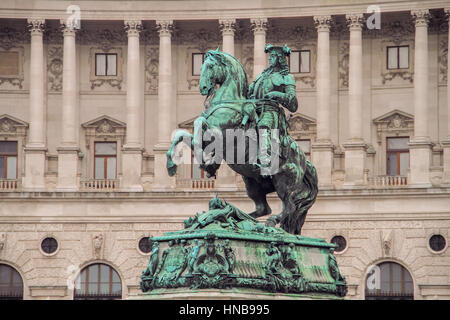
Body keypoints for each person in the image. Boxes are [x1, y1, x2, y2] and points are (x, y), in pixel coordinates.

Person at [248, 44, 298, 175]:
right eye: (270, 56)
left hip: (271, 111)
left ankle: (266, 160)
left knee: (264, 125)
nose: (270, 59)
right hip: (254, 109)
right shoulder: (260, 77)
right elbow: (249, 92)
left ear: (280, 59)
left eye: (273, 56)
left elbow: (293, 103)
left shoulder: (286, 77)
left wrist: (276, 95)